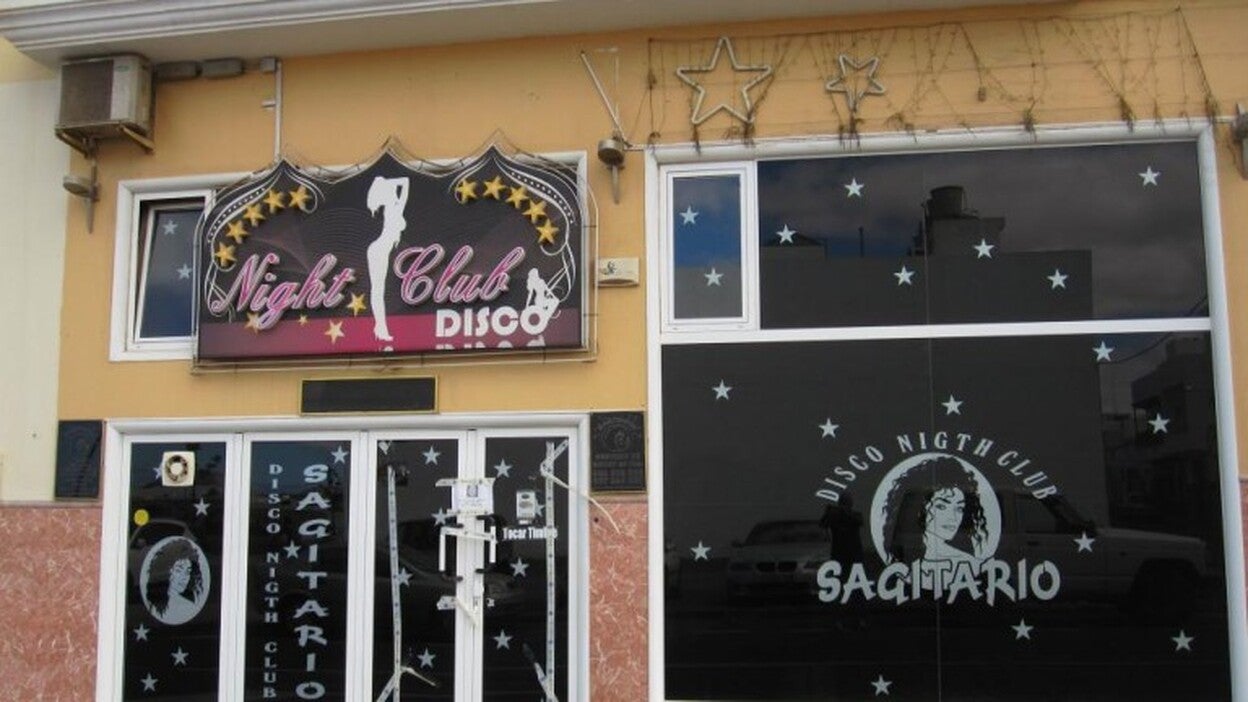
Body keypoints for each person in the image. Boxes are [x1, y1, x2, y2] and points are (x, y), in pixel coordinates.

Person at [880, 454, 989, 574]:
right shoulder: (901, 559)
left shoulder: (970, 564)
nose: (953, 518)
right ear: (916, 508)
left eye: (959, 509)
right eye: (941, 506)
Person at [366, 176, 412, 342]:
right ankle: (380, 327)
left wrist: (385, 183)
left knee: (379, 290)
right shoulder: (393, 208)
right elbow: (405, 182)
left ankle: (380, 327)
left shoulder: (394, 206)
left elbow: (405, 182)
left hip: (382, 249)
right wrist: (386, 183)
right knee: (378, 290)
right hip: (379, 250)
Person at [143, 537, 209, 626]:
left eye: (188, 572)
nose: (184, 577)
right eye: (179, 570)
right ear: (168, 571)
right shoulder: (153, 603)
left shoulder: (188, 608)